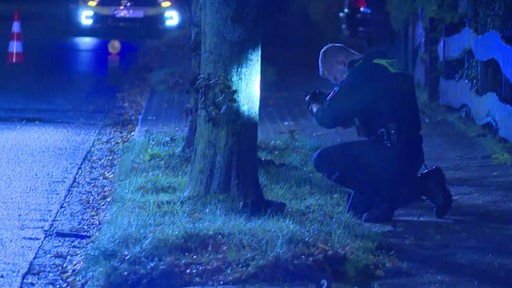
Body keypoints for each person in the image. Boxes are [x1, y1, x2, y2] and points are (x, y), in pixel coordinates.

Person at [305, 43, 452, 222]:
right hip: (412, 153)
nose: (338, 83)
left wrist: (313, 106)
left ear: (341, 62)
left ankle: (418, 187)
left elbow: (328, 118)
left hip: (388, 156)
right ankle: (405, 191)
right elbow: (364, 105)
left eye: (335, 78)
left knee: (322, 159)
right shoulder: (385, 63)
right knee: (356, 209)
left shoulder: (360, 73)